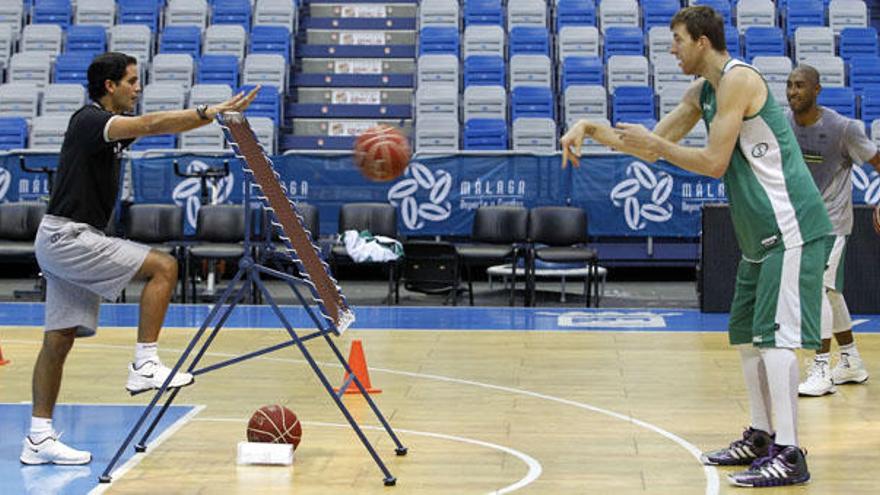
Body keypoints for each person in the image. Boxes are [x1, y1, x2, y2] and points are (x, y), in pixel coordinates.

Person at [560, 6, 828, 488]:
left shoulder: (738, 82)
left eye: (677, 39)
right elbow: (648, 144)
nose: (671, 48)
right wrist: (588, 125)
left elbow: (713, 163)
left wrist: (658, 148)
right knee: (748, 336)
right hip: (757, 235)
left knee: (776, 339)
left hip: (791, 227)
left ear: (703, 41)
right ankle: (762, 436)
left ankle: (790, 453)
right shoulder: (702, 91)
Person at [20, 52, 259, 466]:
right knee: (164, 267)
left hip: (66, 238)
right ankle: (145, 364)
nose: (138, 87)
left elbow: (154, 129)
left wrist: (210, 119)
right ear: (109, 86)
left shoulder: (109, 129)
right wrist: (209, 110)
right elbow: (151, 124)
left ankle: (38, 439)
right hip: (67, 237)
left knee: (58, 341)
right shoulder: (91, 120)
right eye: (131, 81)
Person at [786, 64, 877, 396]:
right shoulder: (785, 124)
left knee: (817, 290)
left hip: (831, 223)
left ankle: (821, 366)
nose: (793, 91)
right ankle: (850, 361)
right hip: (800, 222)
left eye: (800, 86)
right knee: (831, 293)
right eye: (789, 85)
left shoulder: (843, 128)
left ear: (817, 90)